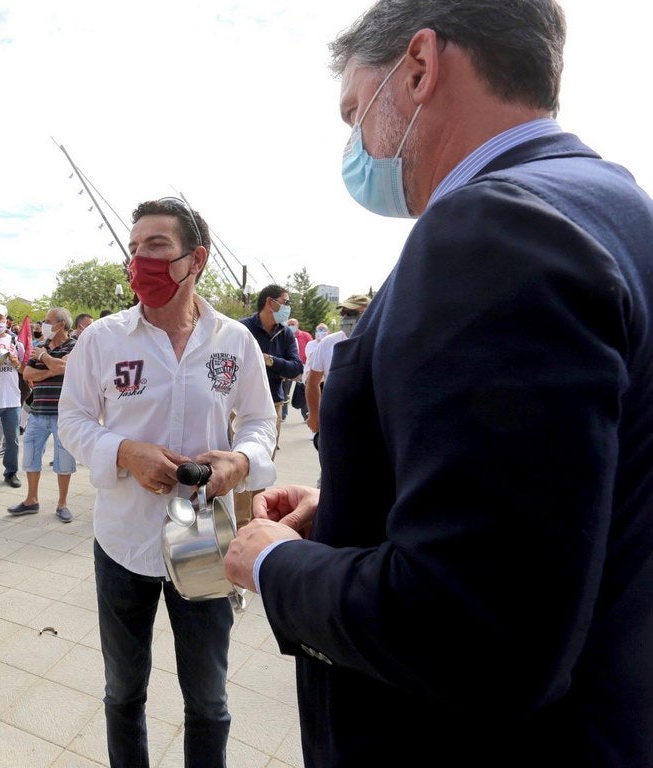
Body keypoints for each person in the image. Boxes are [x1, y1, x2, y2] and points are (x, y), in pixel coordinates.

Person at [223, 2, 653, 765]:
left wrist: (272, 563)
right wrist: (361, 507)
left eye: (354, 110)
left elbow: (472, 630)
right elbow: (562, 502)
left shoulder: (491, 230)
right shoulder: (615, 207)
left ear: (418, 68)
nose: (355, 142)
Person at [59, 198, 275, 768]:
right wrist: (125, 452)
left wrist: (242, 462)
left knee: (208, 697)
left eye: (155, 246)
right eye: (133, 248)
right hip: (122, 537)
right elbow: (73, 421)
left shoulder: (234, 342)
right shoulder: (103, 339)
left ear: (194, 259)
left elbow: (260, 421)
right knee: (123, 691)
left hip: (202, 535)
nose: (139, 261)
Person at [7, 307, 76, 523]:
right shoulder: (40, 346)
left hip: (63, 414)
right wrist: (52, 367)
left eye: (47, 321)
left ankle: (62, 503)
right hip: (37, 412)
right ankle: (31, 500)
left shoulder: (74, 345)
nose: (43, 325)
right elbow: (27, 374)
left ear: (61, 324)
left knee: (64, 461)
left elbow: (68, 367)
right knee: (31, 457)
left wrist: (44, 358)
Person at [239, 284, 302, 458]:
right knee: (232, 462)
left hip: (273, 403)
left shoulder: (286, 333)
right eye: (285, 302)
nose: (288, 307)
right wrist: (279, 369)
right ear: (270, 302)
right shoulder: (242, 329)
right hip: (239, 405)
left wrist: (269, 360)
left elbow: (296, 369)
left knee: (263, 463)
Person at [304, 294, 370, 456]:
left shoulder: (382, 341)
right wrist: (314, 414)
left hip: (372, 425)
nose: (346, 318)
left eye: (353, 313)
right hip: (336, 423)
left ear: (369, 313)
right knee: (331, 476)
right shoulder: (328, 343)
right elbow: (312, 382)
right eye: (344, 313)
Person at [0, 303, 24, 489]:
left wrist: (16, 362)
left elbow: (24, 369)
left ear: (6, 320)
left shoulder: (16, 341)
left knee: (13, 440)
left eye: (0, 318)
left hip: (12, 398)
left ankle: (11, 472)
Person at [281, 318, 312, 421]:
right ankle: (283, 414)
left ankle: (306, 414)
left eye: (293, 324)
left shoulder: (305, 336)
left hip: (303, 367)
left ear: (298, 325)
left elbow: (311, 349)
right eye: (289, 324)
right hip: (289, 367)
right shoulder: (285, 335)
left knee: (303, 391)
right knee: (285, 391)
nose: (291, 326)